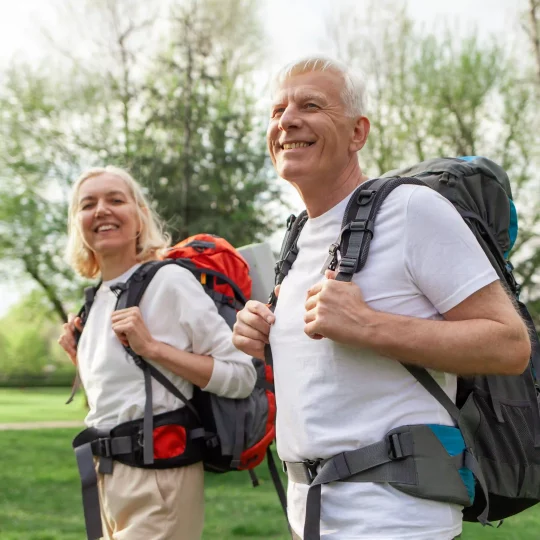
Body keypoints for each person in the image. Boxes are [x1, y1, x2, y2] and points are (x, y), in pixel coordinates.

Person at [232, 57, 531, 540]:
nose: (287, 120)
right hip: (309, 516)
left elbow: (509, 345)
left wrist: (368, 325)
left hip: (397, 521)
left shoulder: (411, 210)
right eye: (277, 110)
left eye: (311, 105)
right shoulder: (299, 239)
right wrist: (265, 337)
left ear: (357, 133)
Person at [58, 166, 256, 540]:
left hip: (160, 481)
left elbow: (242, 375)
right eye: (88, 204)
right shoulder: (96, 299)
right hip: (106, 479)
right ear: (77, 224)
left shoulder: (168, 281)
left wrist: (152, 348)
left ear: (139, 219)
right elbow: (122, 397)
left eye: (116, 200)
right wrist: (79, 357)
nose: (101, 210)